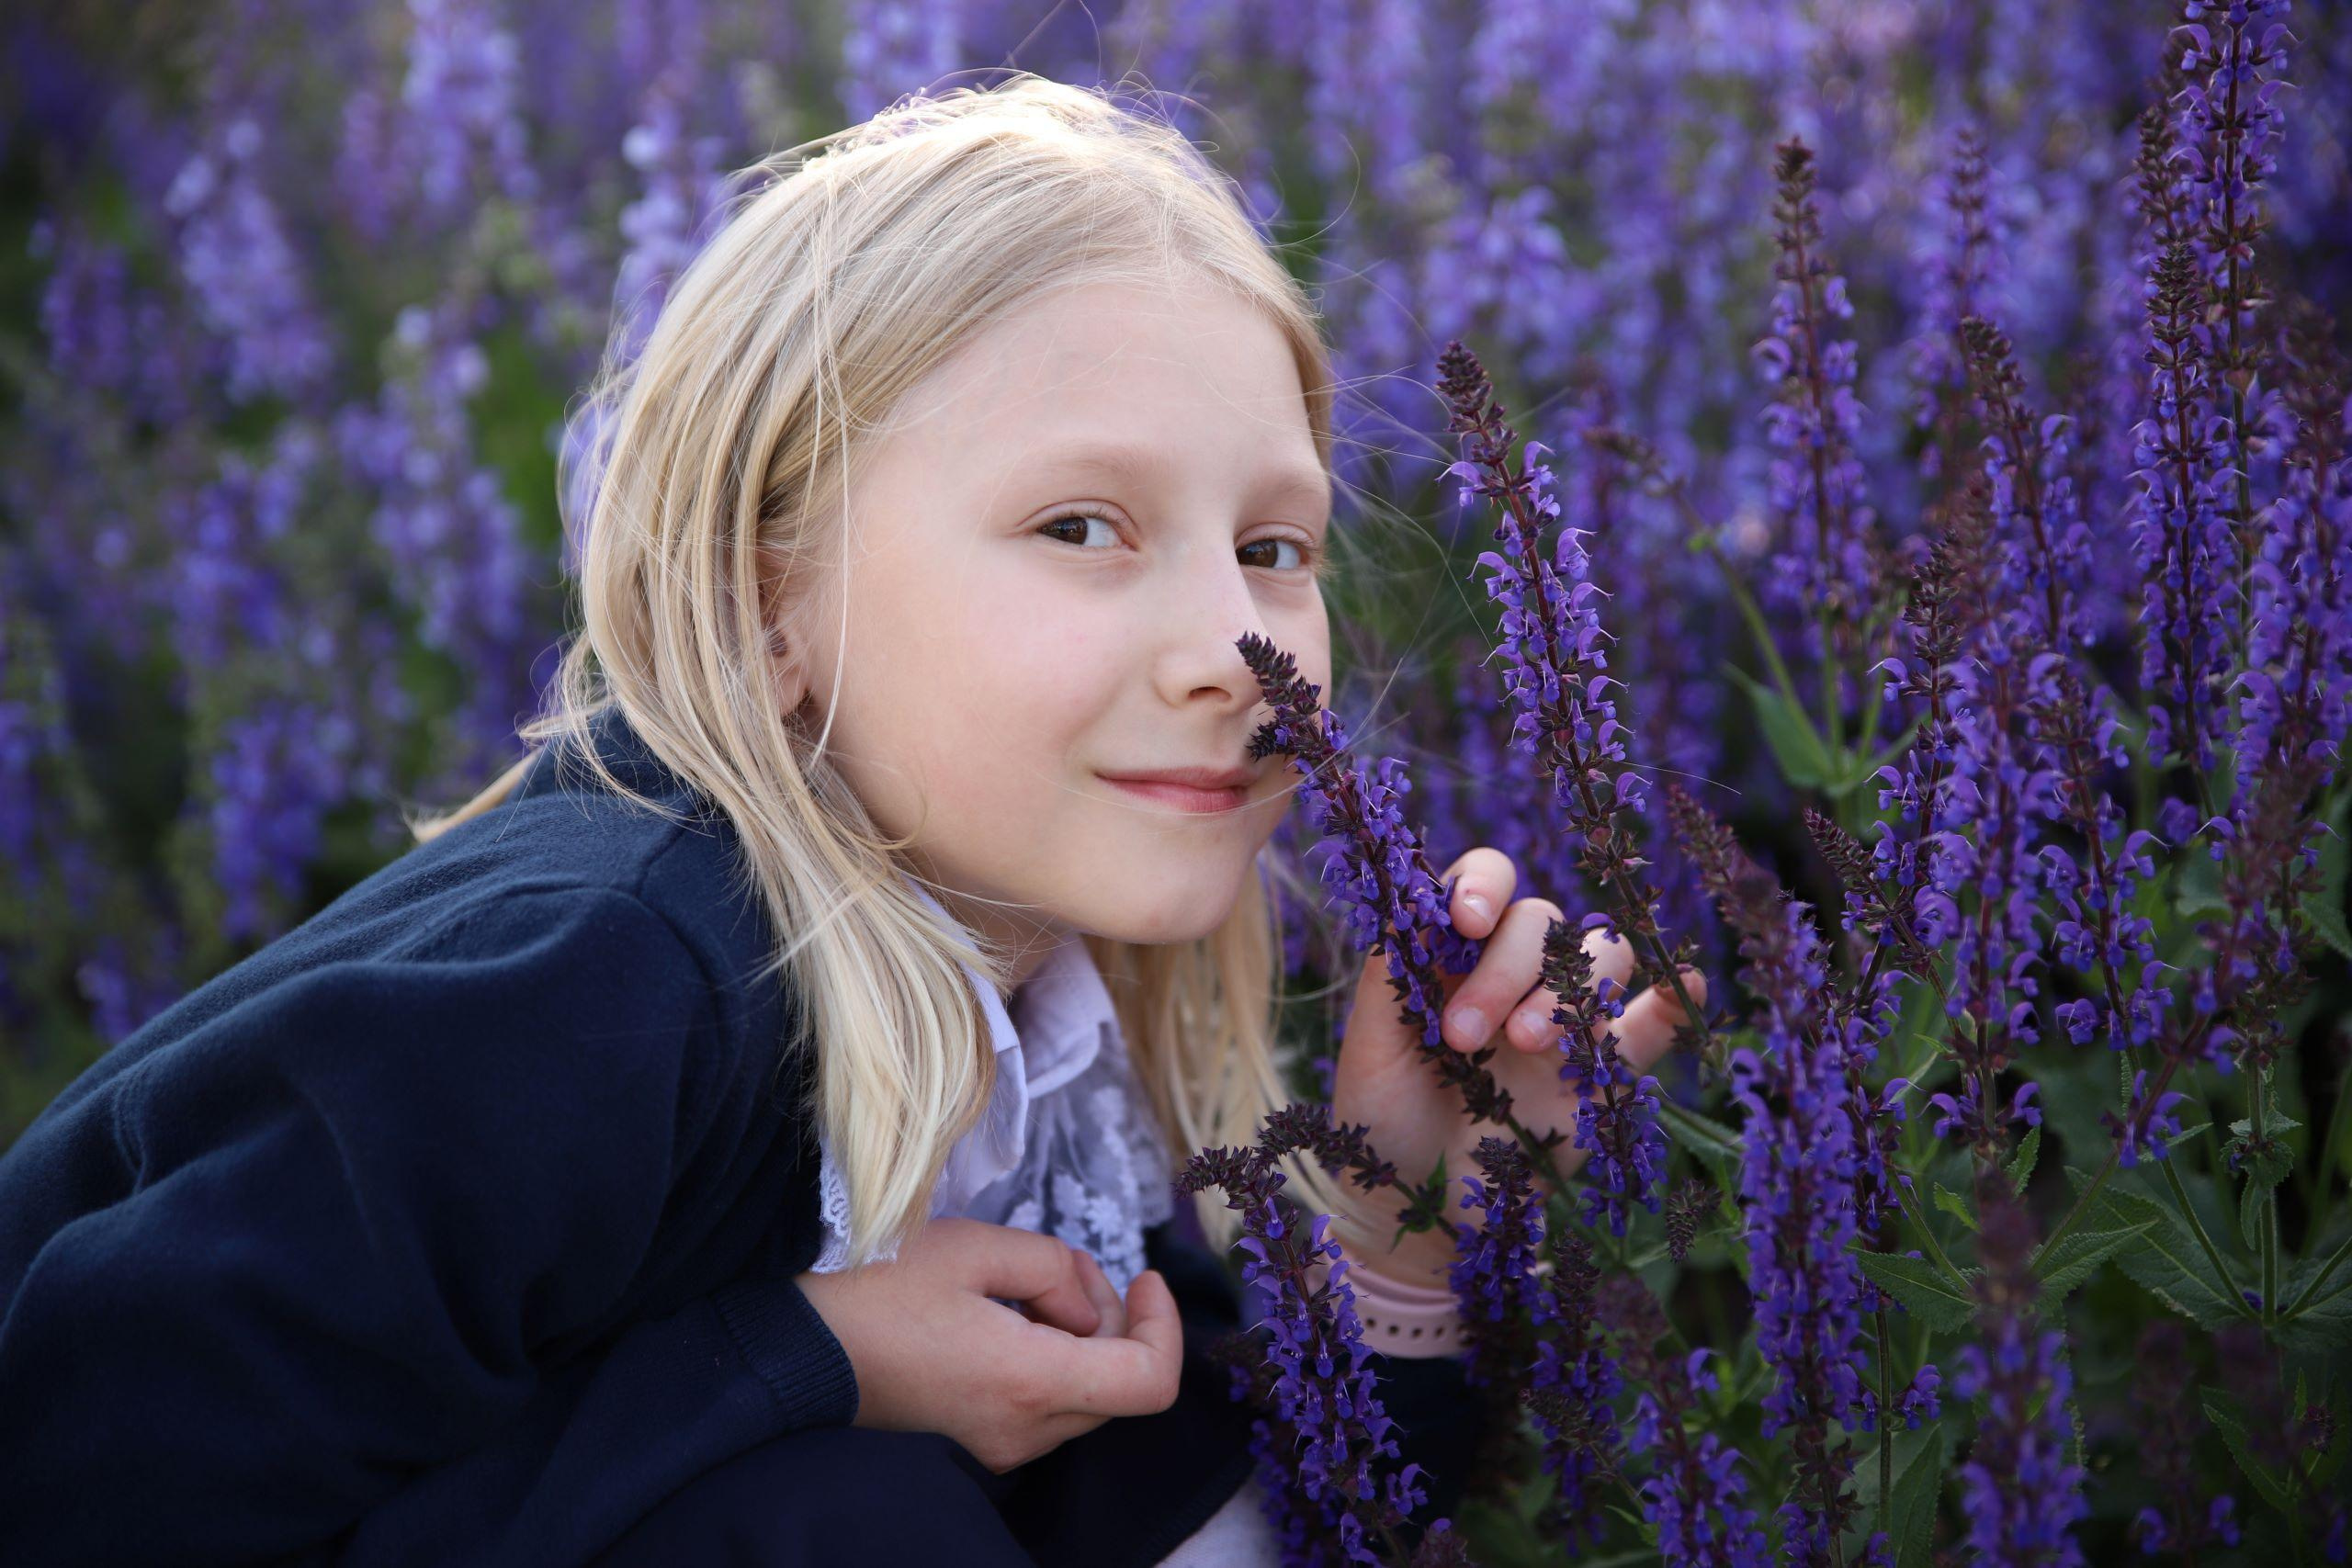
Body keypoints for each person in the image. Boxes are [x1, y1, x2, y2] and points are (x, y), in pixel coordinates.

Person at [0, 73, 1705, 1566]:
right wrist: (794, 1370)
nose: (1233, 651)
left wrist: (1397, 1234)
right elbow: (80, 1494)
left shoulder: (1043, 1014)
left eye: (1273, 547)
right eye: (1082, 526)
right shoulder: (601, 988)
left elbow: (1206, 1538)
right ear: (771, 606)